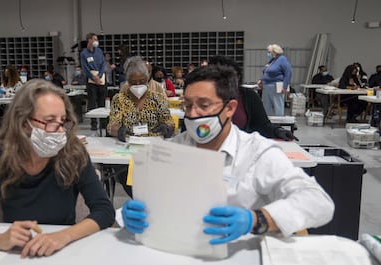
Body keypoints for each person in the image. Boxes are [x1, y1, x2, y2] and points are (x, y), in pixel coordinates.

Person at [122, 65, 334, 244]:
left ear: (230, 108)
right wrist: (132, 214)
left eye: (203, 105)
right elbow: (155, 202)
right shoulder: (173, 149)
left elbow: (318, 202)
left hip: (241, 257)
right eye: (187, 106)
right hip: (183, 251)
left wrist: (256, 219)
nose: (193, 114)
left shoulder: (258, 153)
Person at [0, 79, 115, 258]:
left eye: (62, 121)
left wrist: (63, 236)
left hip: (63, 253)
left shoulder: (73, 153)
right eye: (50, 121)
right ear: (23, 123)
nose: (60, 131)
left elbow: (104, 211)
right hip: (16, 256)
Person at [209, 55, 297, 141]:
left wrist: (277, 131)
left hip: (241, 149)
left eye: (230, 77)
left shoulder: (248, 96)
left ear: (238, 77)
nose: (225, 82)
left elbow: (262, 126)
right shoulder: (201, 98)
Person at [107, 56, 174, 142]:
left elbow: (169, 121)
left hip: (153, 143)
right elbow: (112, 125)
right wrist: (119, 130)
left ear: (147, 79)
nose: (138, 85)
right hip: (128, 143)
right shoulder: (119, 99)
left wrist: (167, 127)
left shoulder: (158, 98)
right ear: (128, 81)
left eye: (142, 82)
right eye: (133, 83)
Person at [80, 33, 107, 131]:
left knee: (102, 102)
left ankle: (103, 124)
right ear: (89, 40)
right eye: (95, 39)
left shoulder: (99, 51)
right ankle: (94, 124)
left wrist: (99, 76)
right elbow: (85, 67)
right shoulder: (84, 54)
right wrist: (93, 77)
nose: (96, 41)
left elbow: (103, 64)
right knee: (92, 103)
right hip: (91, 80)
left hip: (101, 79)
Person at [257, 44, 292, 116]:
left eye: (269, 52)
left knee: (278, 105)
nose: (268, 54)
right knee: (266, 105)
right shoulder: (272, 60)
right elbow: (266, 71)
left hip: (276, 86)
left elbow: (288, 72)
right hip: (266, 86)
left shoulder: (282, 59)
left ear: (275, 51)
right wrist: (261, 80)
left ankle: (279, 123)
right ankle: (267, 122)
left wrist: (285, 86)